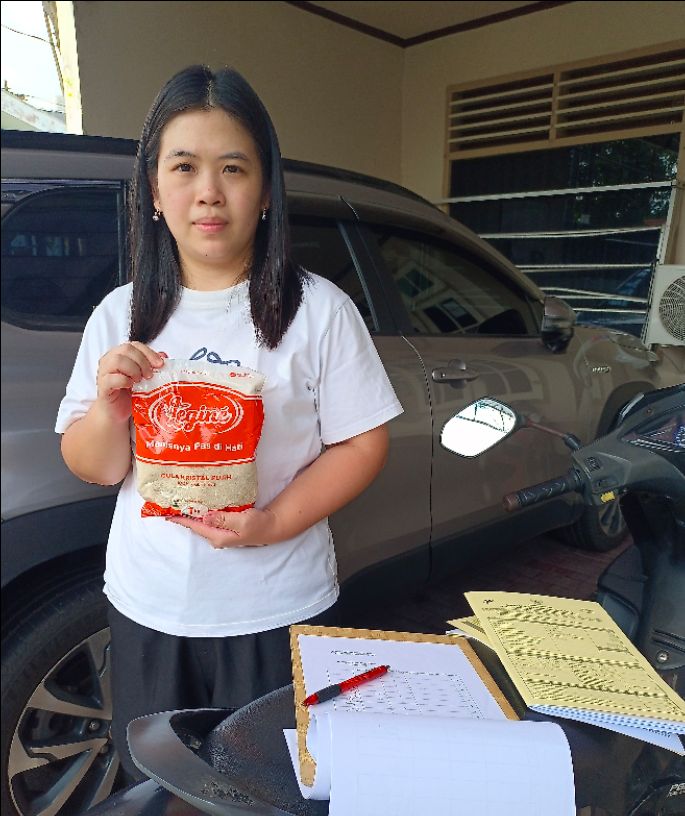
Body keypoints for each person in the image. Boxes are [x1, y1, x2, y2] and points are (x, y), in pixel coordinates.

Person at [55, 64, 403, 779]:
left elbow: (362, 441)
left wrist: (273, 523)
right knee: (159, 786)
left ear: (266, 189)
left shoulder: (318, 311)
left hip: (276, 605)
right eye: (184, 167)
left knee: (269, 785)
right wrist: (110, 410)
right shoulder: (120, 314)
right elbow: (96, 465)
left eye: (233, 168)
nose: (208, 191)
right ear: (155, 191)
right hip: (150, 604)